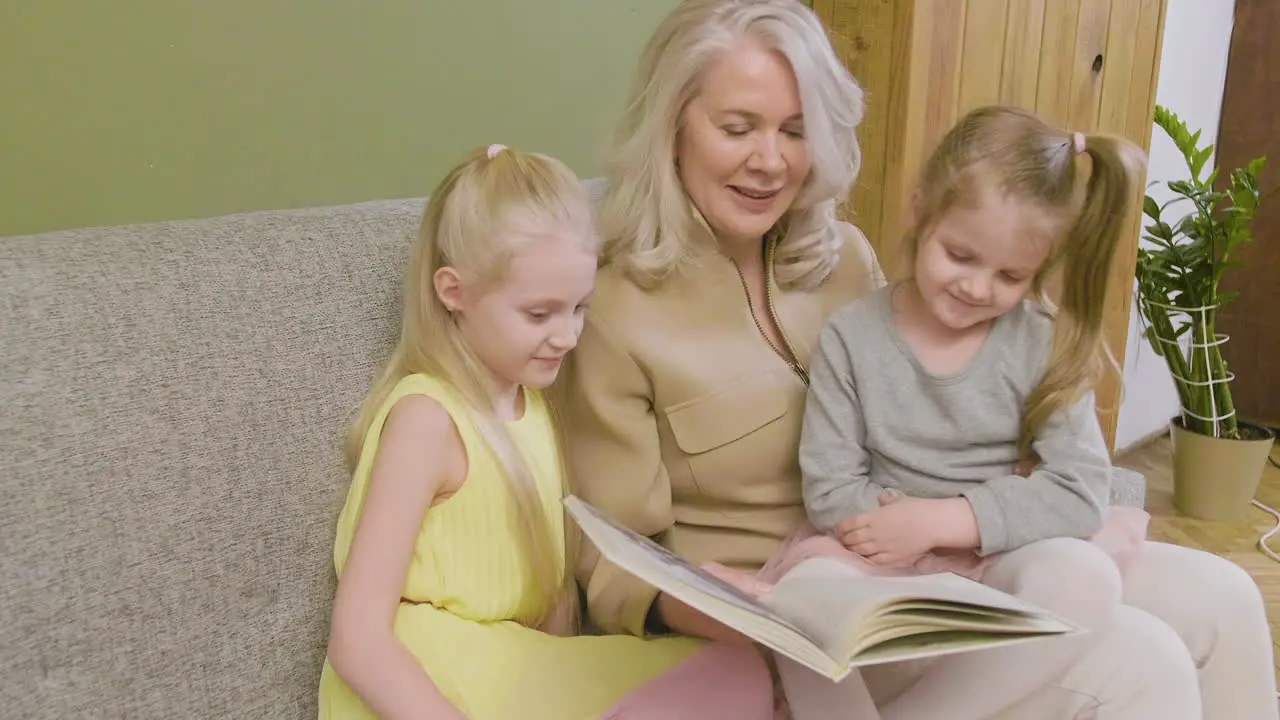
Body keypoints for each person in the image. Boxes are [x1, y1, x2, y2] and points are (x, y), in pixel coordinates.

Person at [556, 0, 1279, 718]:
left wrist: (978, 496)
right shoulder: (613, 308)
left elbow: (947, 399)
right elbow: (609, 551)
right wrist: (709, 608)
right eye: (737, 128)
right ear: (672, 126)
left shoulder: (845, 258)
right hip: (803, 606)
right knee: (1141, 660)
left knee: (1224, 597)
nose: (770, 160)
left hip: (955, 552)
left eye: (797, 131)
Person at [316, 143, 775, 720]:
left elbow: (554, 601)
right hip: (427, 685)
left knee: (737, 670)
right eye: (539, 314)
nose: (567, 336)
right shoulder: (427, 420)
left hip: (514, 669)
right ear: (452, 292)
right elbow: (357, 640)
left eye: (579, 308)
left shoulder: (532, 406)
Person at [775, 105, 1155, 719]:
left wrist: (943, 520)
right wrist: (898, 530)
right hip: (874, 554)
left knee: (1086, 577)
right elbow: (830, 488)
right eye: (960, 255)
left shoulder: (1042, 340)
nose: (978, 288)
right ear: (919, 212)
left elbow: (1082, 489)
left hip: (998, 555)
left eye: (1010, 275)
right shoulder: (852, 337)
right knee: (798, 602)